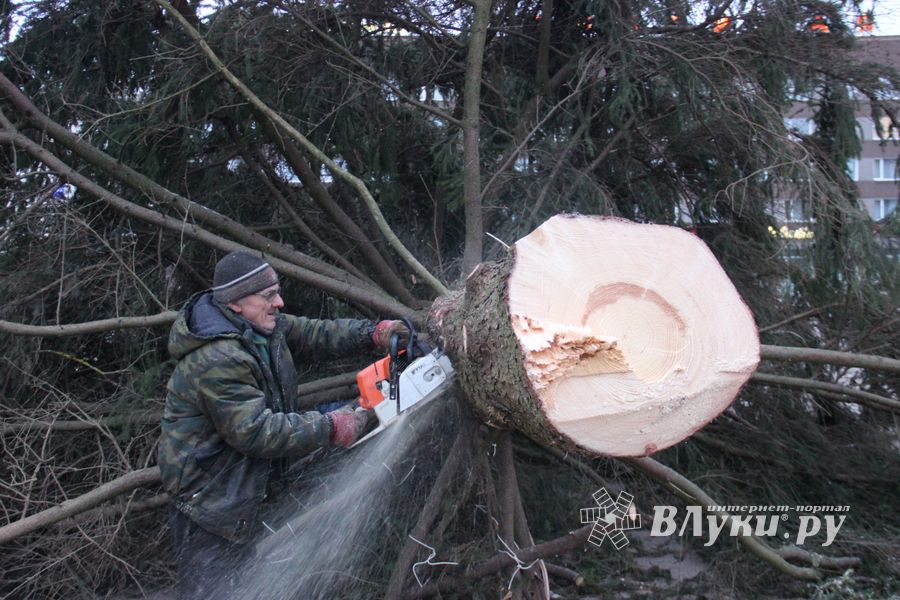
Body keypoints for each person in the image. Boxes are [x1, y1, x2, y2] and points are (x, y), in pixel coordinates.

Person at [157, 251, 407, 599]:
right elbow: (256, 432)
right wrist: (332, 427)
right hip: (211, 505)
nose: (279, 302)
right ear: (237, 303)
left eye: (277, 292)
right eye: (269, 296)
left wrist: (374, 333)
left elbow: (316, 333)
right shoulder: (217, 358)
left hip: (241, 491)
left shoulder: (259, 326)